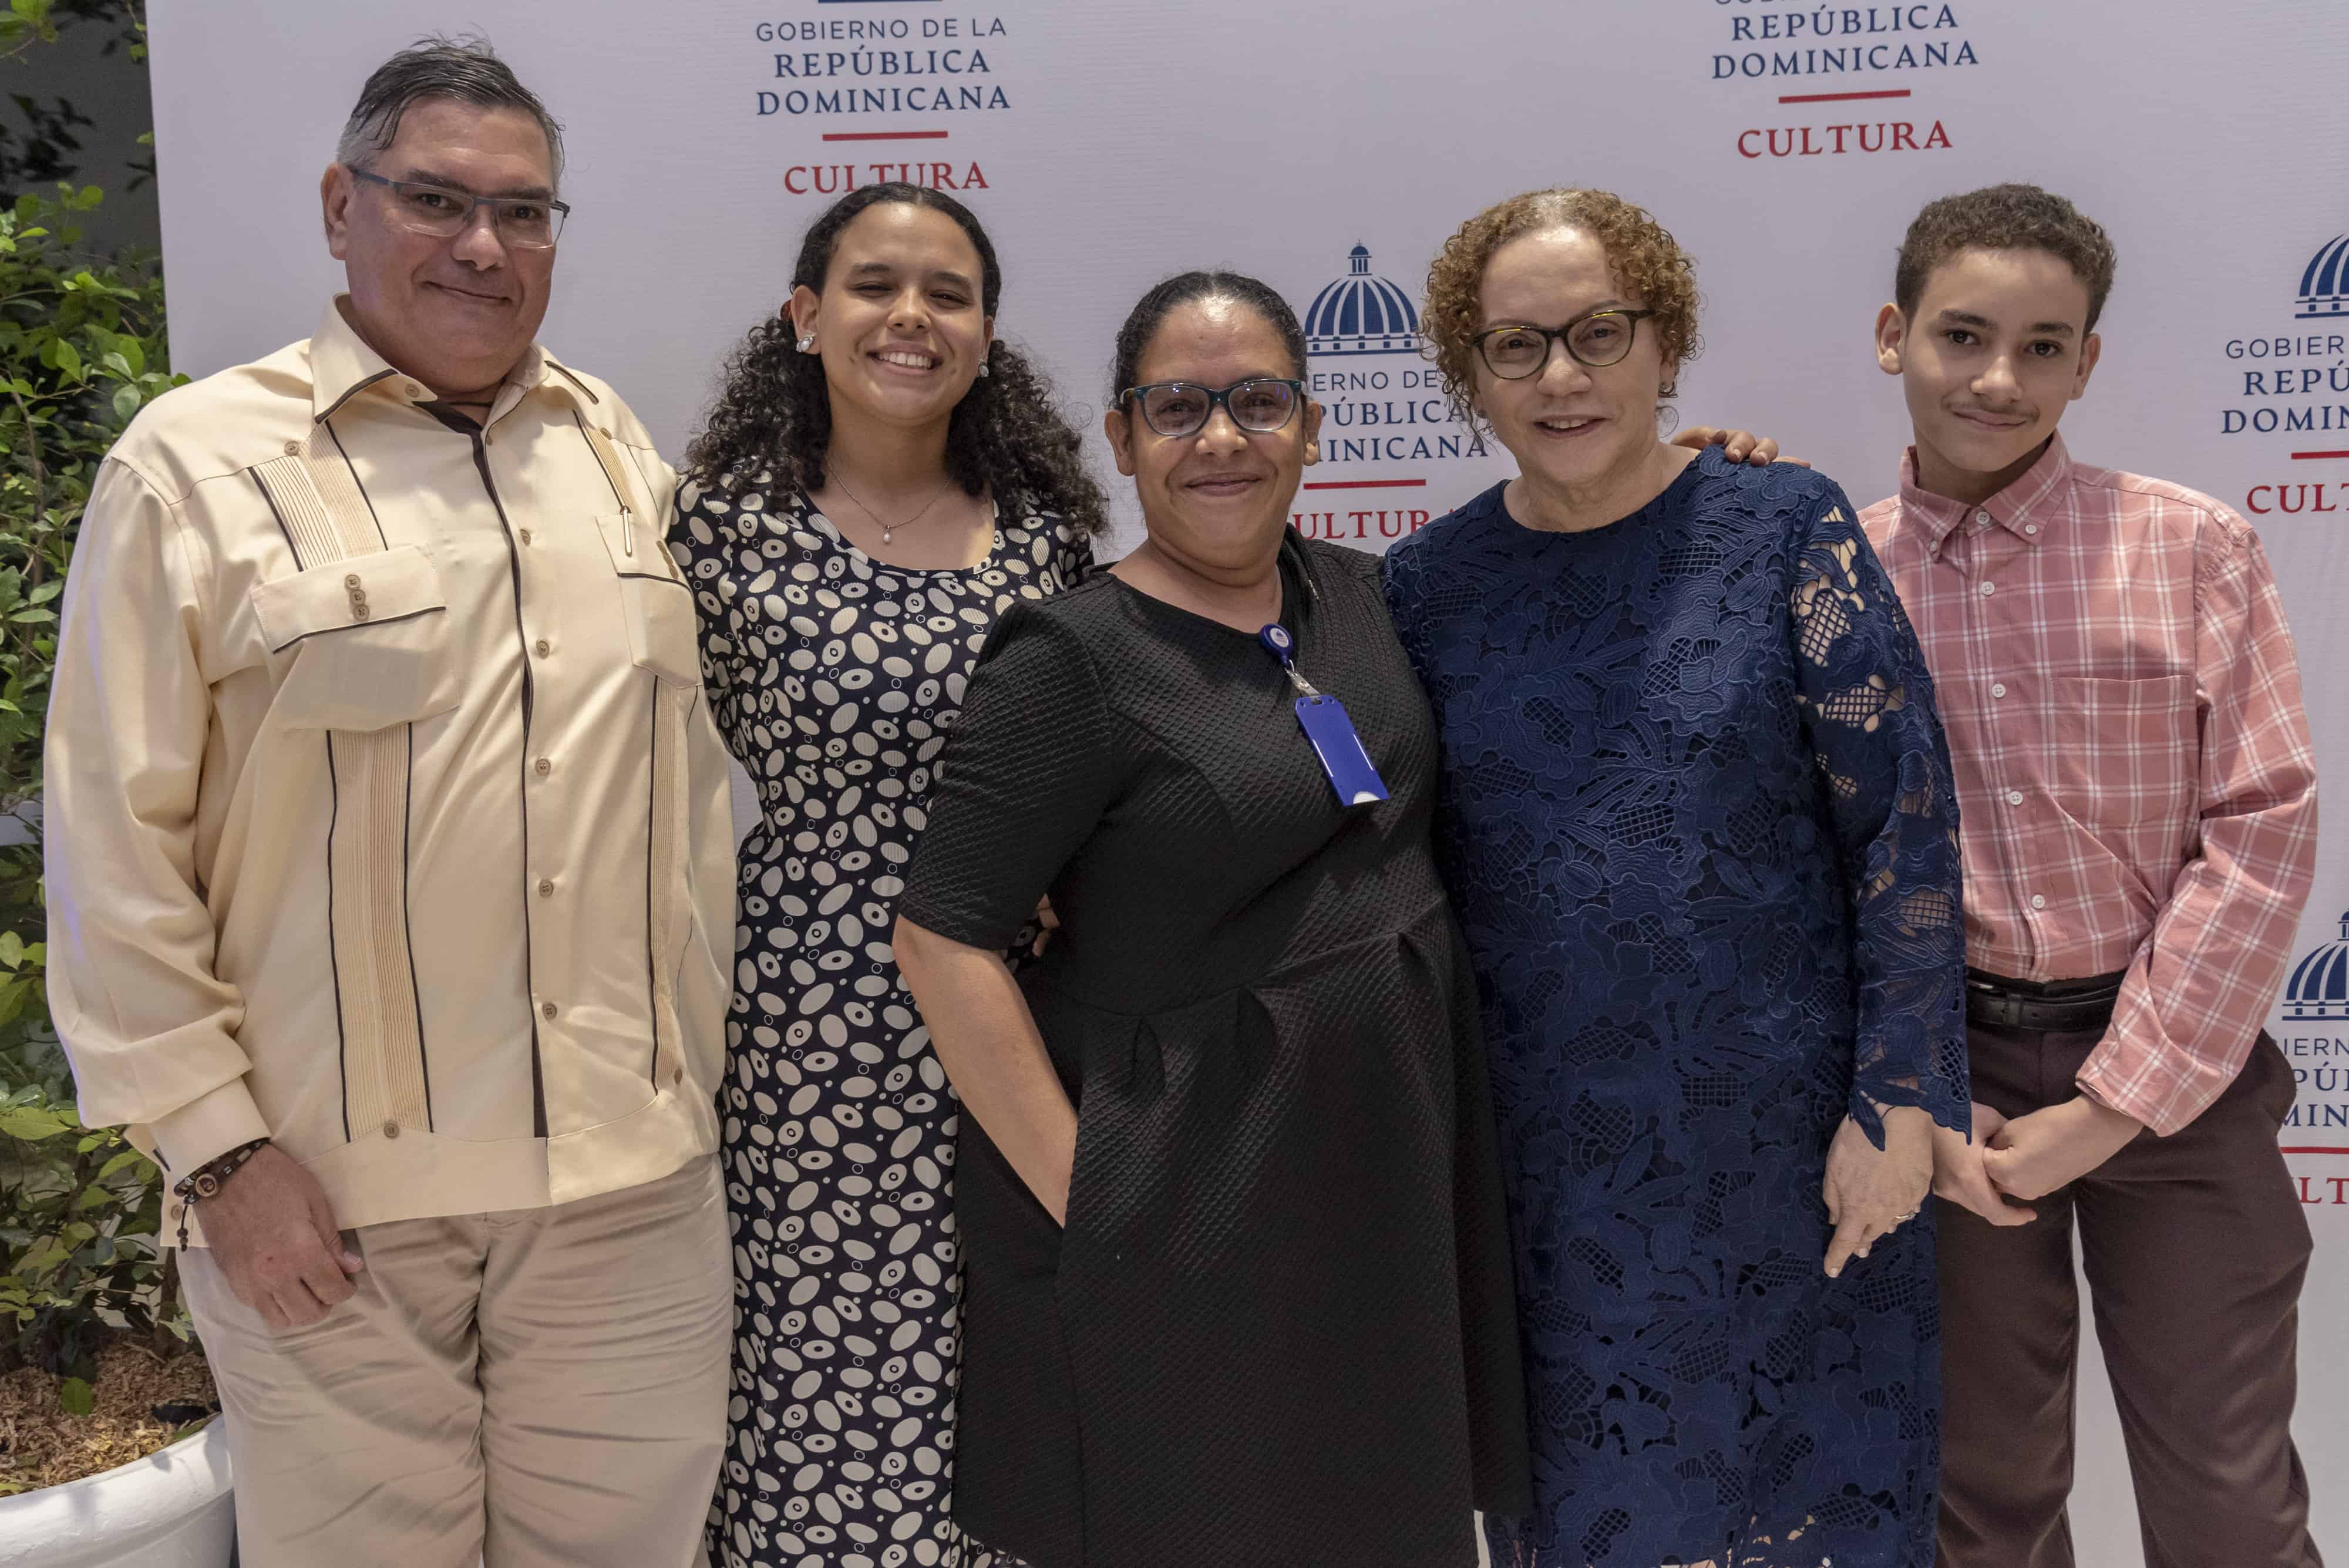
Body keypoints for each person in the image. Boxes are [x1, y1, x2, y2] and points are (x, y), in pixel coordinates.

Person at [43, 38, 735, 1567]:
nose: (485, 246)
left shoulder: (615, 448)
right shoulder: (196, 464)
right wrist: (219, 1154)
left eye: (528, 211)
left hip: (629, 1195)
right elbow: (112, 845)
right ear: (339, 206)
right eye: (436, 198)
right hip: (332, 1203)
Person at [889, 271, 1532, 1568]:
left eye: (1257, 401)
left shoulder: (1365, 595)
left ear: (1311, 426)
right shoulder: (1066, 661)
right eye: (1176, 407)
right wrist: (1097, 1198)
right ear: (1120, 439)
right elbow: (944, 936)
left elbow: (1557, 545)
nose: (1221, 439)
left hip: (1379, 1182)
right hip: (1189, 1200)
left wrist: (1698, 476)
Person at [1382, 187, 1973, 1568]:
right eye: (1514, 346)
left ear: (1665, 341)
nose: (1562, 377)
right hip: (1547, 1187)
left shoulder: (1782, 528)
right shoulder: (1419, 587)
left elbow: (1902, 831)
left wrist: (1897, 1099)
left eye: (1597, 332)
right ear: (1469, 374)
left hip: (1799, 1162)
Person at [1860, 183, 2322, 1568]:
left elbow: (2260, 831)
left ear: (2087, 361)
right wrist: (1902, 1088)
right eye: (1960, 335)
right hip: (1948, 1083)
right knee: (1979, 1496)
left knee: (2227, 1498)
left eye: (2043, 345)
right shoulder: (1833, 572)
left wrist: (2110, 1105)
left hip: (2178, 1072)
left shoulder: (2189, 547)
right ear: (1893, 336)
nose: (1998, 378)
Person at [669, 182, 1103, 1568]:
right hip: (813, 1028)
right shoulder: (711, 532)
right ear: (805, 318)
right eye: (872, 286)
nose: (909, 316)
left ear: (984, 336)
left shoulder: (1042, 539)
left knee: (1016, 1366)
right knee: (823, 1375)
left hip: (1024, 1014)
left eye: (948, 293)